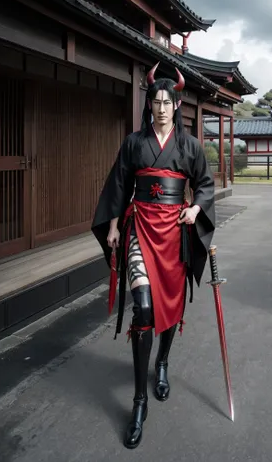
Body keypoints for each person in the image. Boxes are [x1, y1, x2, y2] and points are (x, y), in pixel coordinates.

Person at [91, 62, 215, 449]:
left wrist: (195, 210)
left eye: (167, 102)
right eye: (155, 101)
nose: (160, 108)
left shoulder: (190, 145)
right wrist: (113, 224)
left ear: (177, 105)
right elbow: (118, 184)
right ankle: (139, 400)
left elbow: (206, 184)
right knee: (143, 307)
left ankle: (161, 362)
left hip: (175, 233)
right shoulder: (133, 143)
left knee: (170, 307)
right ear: (149, 105)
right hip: (140, 228)